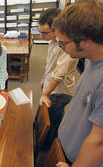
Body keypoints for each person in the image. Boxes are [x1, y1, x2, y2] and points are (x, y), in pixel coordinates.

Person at [52, 1, 103, 167]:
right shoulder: (91, 60)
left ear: (85, 41)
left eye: (63, 43)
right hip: (67, 150)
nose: (61, 48)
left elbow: (98, 143)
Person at [37, 8, 79, 150]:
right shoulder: (53, 40)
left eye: (44, 32)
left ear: (57, 29)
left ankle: (49, 150)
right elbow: (51, 64)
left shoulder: (66, 44)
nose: (41, 36)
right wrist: (44, 77)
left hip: (60, 91)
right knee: (55, 118)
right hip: (52, 88)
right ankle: (53, 143)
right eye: (40, 32)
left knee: (50, 122)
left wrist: (45, 94)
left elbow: (58, 75)